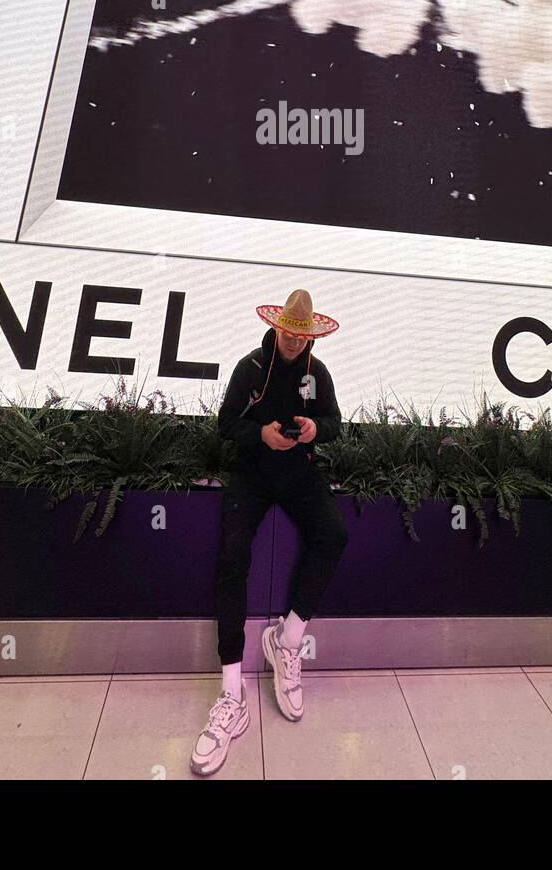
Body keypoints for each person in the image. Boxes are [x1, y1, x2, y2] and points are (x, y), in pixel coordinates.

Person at [190, 288, 349, 776]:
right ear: (278, 326)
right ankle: (231, 689)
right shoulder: (250, 369)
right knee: (233, 557)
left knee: (334, 534)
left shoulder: (316, 373)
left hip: (299, 473)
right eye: (290, 332)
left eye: (303, 336)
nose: (295, 341)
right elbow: (224, 425)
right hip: (253, 473)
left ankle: (288, 640)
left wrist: (313, 429)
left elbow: (335, 423)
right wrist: (259, 434)